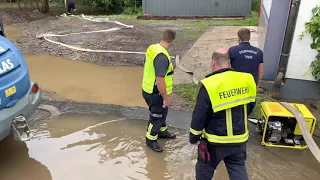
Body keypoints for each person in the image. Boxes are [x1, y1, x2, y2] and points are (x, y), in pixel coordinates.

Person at [189, 48, 257, 180]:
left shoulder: (209, 84)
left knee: (204, 169)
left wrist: (194, 137)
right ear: (229, 62)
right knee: (238, 168)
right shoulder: (247, 79)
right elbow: (250, 105)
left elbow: (199, 115)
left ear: (213, 63)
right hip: (239, 140)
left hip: (215, 142)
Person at [142, 29, 177, 153]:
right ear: (172, 41)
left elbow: (146, 63)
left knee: (163, 113)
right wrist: (166, 98)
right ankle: (150, 140)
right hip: (155, 93)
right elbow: (160, 80)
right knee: (156, 116)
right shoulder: (162, 56)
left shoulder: (153, 48)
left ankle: (162, 132)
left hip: (148, 88)